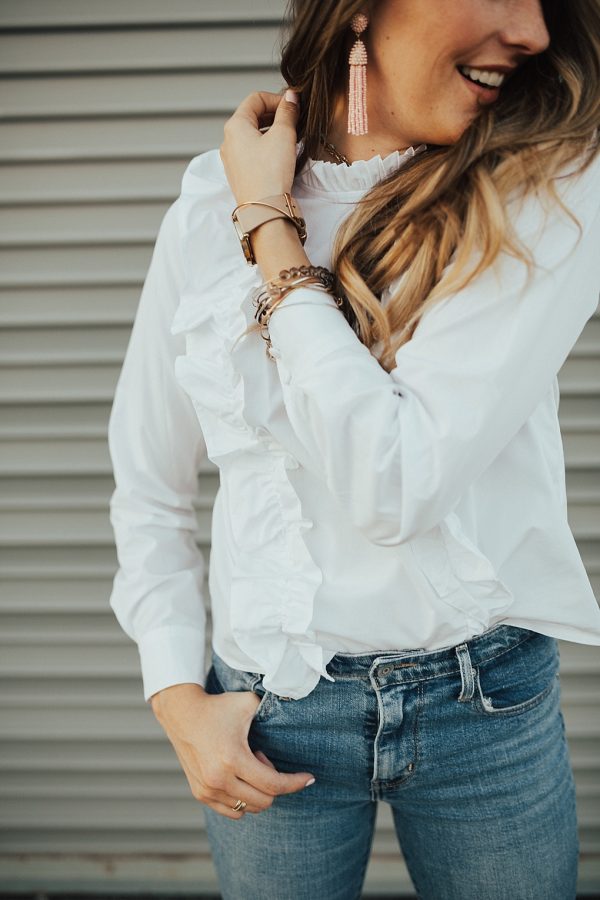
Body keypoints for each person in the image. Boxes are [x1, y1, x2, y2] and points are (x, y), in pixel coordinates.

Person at [107, 0, 600, 897]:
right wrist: (176, 695)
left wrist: (271, 230)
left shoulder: (546, 187)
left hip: (482, 706)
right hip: (268, 712)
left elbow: (396, 484)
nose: (532, 30)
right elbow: (149, 480)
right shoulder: (205, 202)